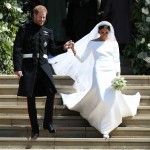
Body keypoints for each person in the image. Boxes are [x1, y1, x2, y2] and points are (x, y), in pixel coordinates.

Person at [48, 21, 141, 139]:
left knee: (110, 96)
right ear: (98, 32)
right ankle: (102, 124)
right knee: (101, 94)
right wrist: (74, 50)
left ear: (109, 32)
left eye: (106, 33)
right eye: (102, 32)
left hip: (110, 71)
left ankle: (107, 126)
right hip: (98, 71)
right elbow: (82, 59)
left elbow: (116, 60)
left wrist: (118, 75)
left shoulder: (113, 44)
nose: (104, 34)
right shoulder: (92, 43)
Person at [13, 5, 72, 139]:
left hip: (44, 66)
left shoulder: (48, 31)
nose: (42, 20)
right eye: (40, 17)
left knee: (51, 90)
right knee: (31, 96)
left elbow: (52, 49)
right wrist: (18, 68)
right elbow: (17, 49)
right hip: (28, 66)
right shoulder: (24, 29)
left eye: (44, 17)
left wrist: (64, 47)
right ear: (34, 15)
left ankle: (48, 123)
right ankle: (35, 128)